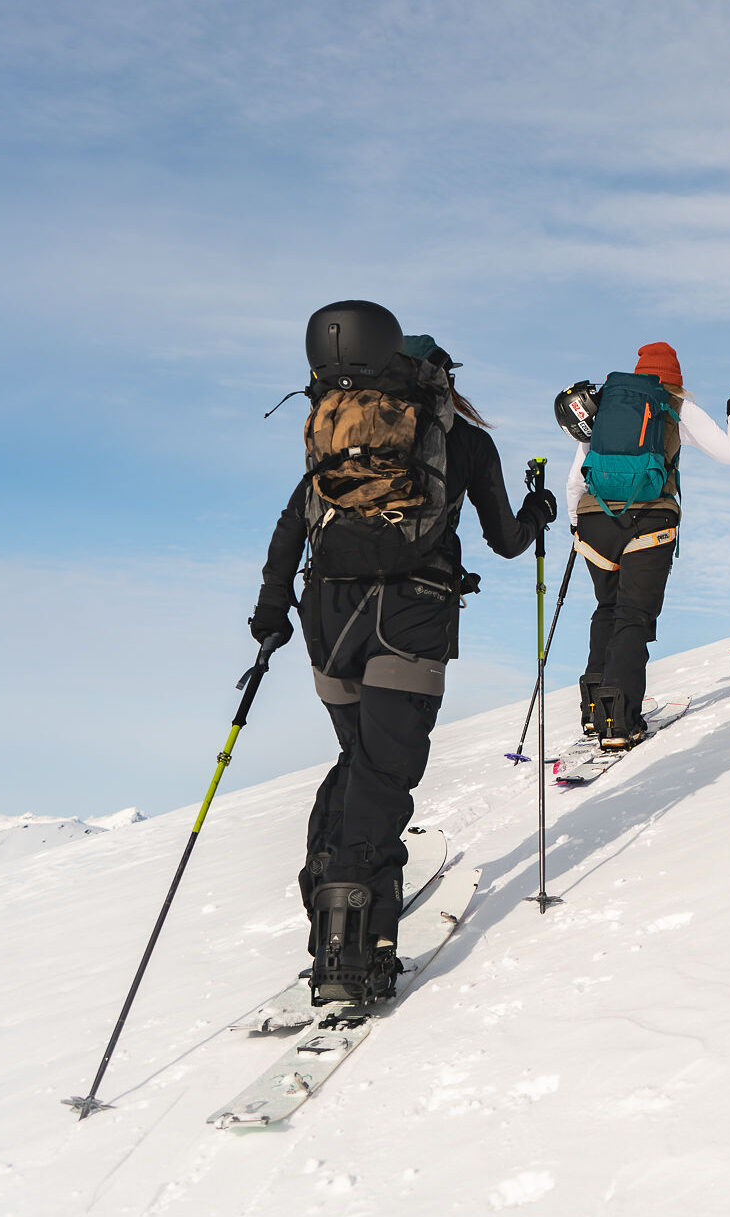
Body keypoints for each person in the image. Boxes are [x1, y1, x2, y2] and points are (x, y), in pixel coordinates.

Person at [250, 301, 559, 1003]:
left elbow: (292, 521)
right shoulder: (459, 441)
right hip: (410, 617)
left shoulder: (337, 433)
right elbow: (506, 540)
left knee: (359, 759)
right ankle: (354, 939)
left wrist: (272, 613)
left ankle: (331, 894)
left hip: (327, 615)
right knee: (385, 773)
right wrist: (539, 511)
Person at [559, 342, 730, 750]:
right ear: (675, 379)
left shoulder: (606, 405)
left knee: (606, 608)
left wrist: (577, 525)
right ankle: (621, 721)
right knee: (632, 616)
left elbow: (575, 479)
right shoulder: (676, 407)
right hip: (649, 520)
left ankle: (595, 712)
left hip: (593, 521)